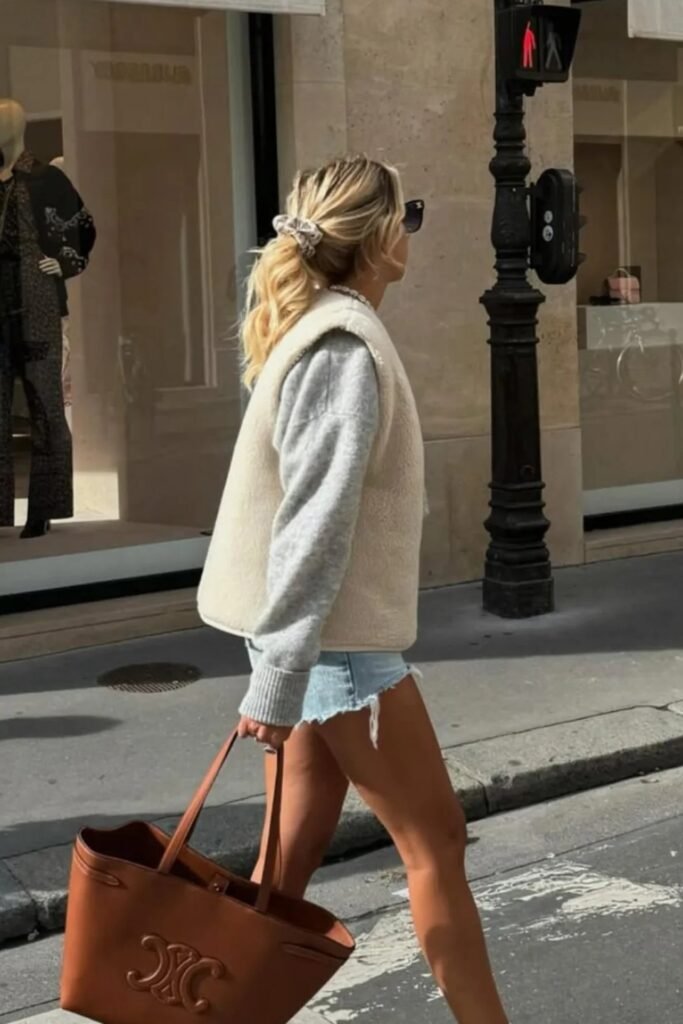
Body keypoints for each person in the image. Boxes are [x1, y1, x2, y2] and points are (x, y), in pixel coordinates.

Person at [198, 154, 509, 1024]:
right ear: (378, 236)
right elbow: (314, 523)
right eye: (406, 211)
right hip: (335, 652)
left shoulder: (330, 328)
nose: (412, 227)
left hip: (312, 646)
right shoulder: (342, 345)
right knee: (435, 843)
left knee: (282, 873)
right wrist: (280, 677)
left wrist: (279, 667)